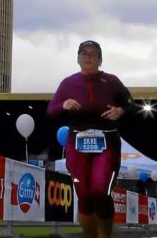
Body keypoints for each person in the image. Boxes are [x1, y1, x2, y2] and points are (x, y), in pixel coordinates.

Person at [47, 40, 137, 238]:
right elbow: (51, 110)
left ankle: (104, 236)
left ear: (100, 59)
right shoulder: (68, 83)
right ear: (78, 59)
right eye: (84, 53)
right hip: (76, 144)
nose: (88, 57)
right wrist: (64, 105)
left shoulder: (112, 81)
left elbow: (131, 103)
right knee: (84, 195)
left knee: (100, 191)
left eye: (93, 53)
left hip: (107, 143)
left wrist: (121, 109)